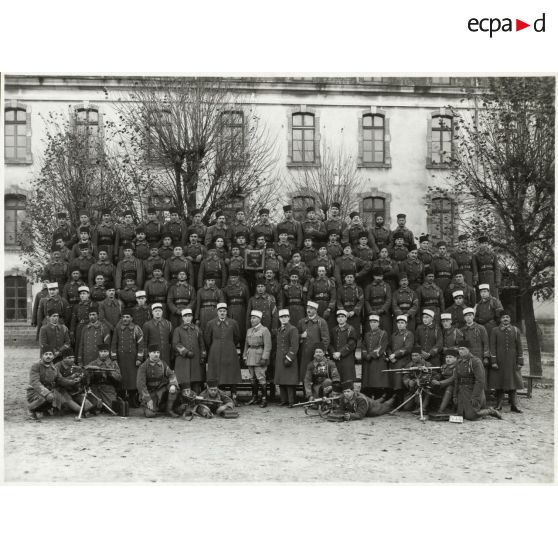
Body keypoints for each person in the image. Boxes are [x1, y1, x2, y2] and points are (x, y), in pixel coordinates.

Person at [26, 347, 81, 420]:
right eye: (46, 354)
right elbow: (35, 382)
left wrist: (73, 381)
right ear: (42, 356)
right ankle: (31, 410)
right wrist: (46, 393)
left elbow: (60, 379)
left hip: (49, 391)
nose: (48, 356)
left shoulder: (54, 367)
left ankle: (43, 410)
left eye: (50, 354)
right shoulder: (36, 366)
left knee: (59, 398)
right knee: (48, 397)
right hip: (34, 391)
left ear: (53, 356)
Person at [453, 340, 502, 420]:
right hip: (462, 392)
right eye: (459, 349)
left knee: (472, 416)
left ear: (469, 349)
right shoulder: (459, 362)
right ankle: (479, 412)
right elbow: (456, 379)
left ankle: (490, 411)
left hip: (473, 391)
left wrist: (475, 396)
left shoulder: (475, 361)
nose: (460, 351)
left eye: (463, 349)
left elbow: (480, 380)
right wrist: (455, 395)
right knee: (461, 415)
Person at [204, 302, 242, 402]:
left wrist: (229, 344)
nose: (222, 313)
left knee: (231, 374)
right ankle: (217, 396)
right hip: (215, 352)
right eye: (220, 311)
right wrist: (214, 346)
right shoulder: (211, 323)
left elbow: (237, 337)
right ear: (217, 312)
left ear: (226, 312)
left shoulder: (233, 323)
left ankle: (234, 396)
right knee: (216, 373)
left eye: (224, 311)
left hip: (230, 351)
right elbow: (207, 339)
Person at [489, 312, 524, 413]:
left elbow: (520, 347)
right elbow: (492, 346)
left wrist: (520, 361)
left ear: (510, 319)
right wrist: (494, 361)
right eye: (503, 317)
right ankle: (499, 405)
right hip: (499, 361)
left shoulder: (516, 330)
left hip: (512, 361)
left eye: (507, 317)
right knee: (499, 383)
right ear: (500, 319)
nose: (505, 319)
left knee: (513, 382)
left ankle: (514, 405)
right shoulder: (495, 330)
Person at [110, 309, 144, 406]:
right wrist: (114, 358)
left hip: (133, 360)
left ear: (131, 318)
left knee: (132, 380)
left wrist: (139, 358)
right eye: (124, 317)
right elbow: (113, 344)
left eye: (127, 317)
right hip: (121, 359)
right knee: (121, 379)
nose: (125, 319)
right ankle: (122, 400)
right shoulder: (118, 328)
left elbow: (141, 345)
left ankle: (133, 400)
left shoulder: (137, 329)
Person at [136, 344, 179, 418]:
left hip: (160, 391)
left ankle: (169, 410)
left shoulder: (163, 364)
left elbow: (171, 374)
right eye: (154, 352)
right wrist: (148, 399)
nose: (156, 354)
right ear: (149, 353)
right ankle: (151, 407)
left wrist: (172, 384)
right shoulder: (143, 367)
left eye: (158, 352)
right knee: (150, 414)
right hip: (150, 393)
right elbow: (141, 385)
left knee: (174, 388)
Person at [172, 308, 206, 394]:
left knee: (196, 379)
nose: (187, 318)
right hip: (183, 359)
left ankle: (197, 396)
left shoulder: (197, 329)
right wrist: (186, 352)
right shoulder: (178, 330)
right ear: (182, 318)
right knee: (184, 379)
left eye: (189, 316)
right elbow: (175, 344)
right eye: (185, 316)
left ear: (192, 317)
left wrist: (202, 355)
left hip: (196, 359)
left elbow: (202, 344)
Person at [244, 310, 272, 407]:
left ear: (259, 319)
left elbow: (268, 346)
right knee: (252, 379)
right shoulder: (249, 330)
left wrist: (264, 358)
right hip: (250, 355)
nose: (252, 320)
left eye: (254, 318)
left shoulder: (265, 330)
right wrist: (244, 356)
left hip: (259, 356)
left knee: (261, 378)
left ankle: (264, 399)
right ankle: (254, 397)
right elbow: (246, 345)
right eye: (251, 318)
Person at [54, 347, 94, 416]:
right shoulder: (57, 366)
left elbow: (80, 375)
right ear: (63, 358)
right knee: (78, 409)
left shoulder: (74, 366)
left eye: (73, 358)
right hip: (61, 391)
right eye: (69, 358)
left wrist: (80, 378)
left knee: (88, 405)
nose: (72, 360)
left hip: (73, 390)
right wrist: (72, 379)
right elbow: (60, 381)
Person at [297, 301, 330, 384]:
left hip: (317, 356)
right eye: (308, 308)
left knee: (318, 377)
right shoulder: (301, 322)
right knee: (306, 377)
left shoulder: (321, 322)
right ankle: (306, 395)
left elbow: (325, 340)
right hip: (304, 355)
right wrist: (301, 336)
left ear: (316, 310)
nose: (309, 310)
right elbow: (295, 337)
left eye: (311, 308)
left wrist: (321, 353)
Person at [84, 343, 122, 412]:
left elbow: (119, 378)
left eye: (105, 351)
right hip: (95, 388)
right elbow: (86, 376)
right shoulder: (93, 363)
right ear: (98, 352)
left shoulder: (113, 364)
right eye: (101, 351)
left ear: (108, 352)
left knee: (113, 407)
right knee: (92, 407)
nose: (103, 353)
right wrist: (91, 374)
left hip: (108, 388)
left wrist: (111, 374)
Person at [274, 309, 300, 407]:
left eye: (285, 317)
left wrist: (289, 358)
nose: (283, 319)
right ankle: (283, 400)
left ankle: (291, 401)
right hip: (280, 357)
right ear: (279, 319)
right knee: (281, 380)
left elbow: (294, 346)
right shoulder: (279, 330)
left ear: (289, 318)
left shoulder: (293, 329)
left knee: (290, 381)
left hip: (289, 358)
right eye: (281, 317)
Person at [361, 314, 390, 398]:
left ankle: (378, 399)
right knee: (368, 381)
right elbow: (363, 346)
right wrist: (365, 355)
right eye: (371, 322)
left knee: (377, 382)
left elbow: (381, 347)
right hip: (368, 361)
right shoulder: (367, 334)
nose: (372, 324)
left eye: (375, 322)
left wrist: (370, 355)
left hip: (378, 361)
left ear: (378, 323)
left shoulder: (383, 333)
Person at [388, 315, 414, 399]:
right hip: (393, 361)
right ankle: (394, 401)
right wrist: (390, 356)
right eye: (398, 323)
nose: (400, 325)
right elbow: (388, 347)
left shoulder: (409, 334)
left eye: (402, 323)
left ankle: (402, 401)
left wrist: (395, 354)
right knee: (393, 382)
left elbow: (408, 348)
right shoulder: (394, 335)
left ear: (406, 324)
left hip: (403, 361)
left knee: (400, 382)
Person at [328, 309, 358, 382]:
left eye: (342, 317)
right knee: (336, 380)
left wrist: (340, 353)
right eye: (338, 317)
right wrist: (333, 353)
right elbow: (330, 344)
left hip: (347, 358)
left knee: (347, 380)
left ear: (346, 318)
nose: (340, 318)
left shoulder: (351, 329)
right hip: (335, 358)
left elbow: (352, 343)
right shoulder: (333, 330)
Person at [430, 348, 459, 414]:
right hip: (444, 384)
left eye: (450, 357)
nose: (448, 359)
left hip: (455, 385)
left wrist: (440, 383)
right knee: (431, 386)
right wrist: (435, 378)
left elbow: (453, 378)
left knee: (449, 388)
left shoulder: (457, 367)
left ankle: (441, 410)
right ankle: (424, 407)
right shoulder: (444, 366)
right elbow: (440, 375)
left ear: (455, 358)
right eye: (446, 357)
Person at [364, 267, 392, 334]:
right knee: (371, 330)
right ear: (373, 276)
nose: (379, 278)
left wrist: (382, 310)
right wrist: (370, 311)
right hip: (372, 311)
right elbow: (366, 300)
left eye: (380, 276)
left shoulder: (387, 286)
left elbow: (389, 299)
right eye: (377, 276)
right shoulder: (369, 287)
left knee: (385, 330)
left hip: (383, 312)